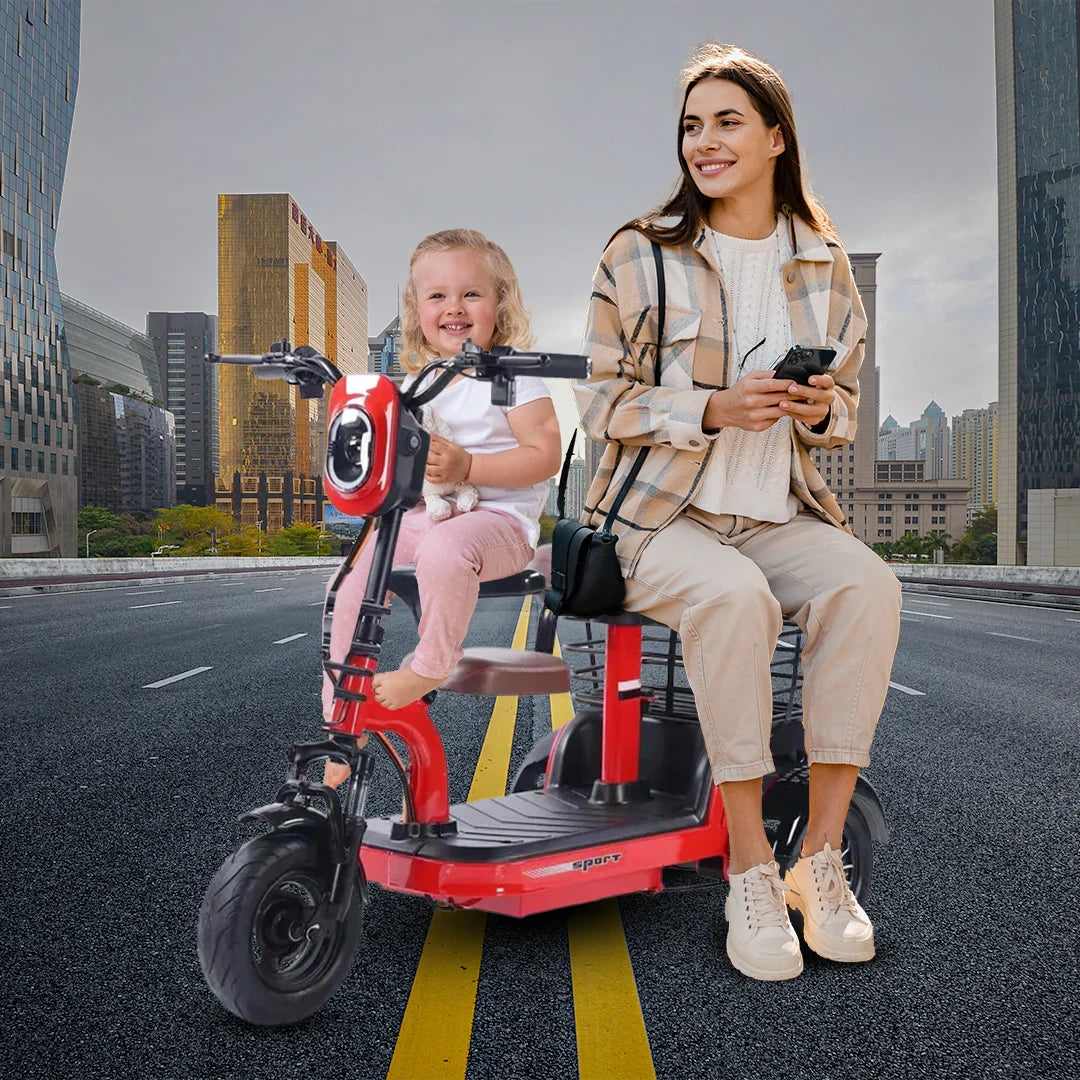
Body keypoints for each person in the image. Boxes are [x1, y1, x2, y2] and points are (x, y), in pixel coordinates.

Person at [574, 43, 902, 982]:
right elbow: (600, 402)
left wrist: (815, 407)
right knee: (737, 602)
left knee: (868, 588)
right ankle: (748, 867)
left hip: (772, 510)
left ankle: (819, 863)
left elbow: (842, 406)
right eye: (690, 125)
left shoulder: (826, 265)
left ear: (775, 137)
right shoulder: (639, 252)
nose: (704, 143)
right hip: (658, 518)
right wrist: (708, 409)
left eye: (725, 122)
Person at [322, 229, 561, 788]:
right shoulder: (420, 382)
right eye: (436, 296)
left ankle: (430, 666)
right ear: (416, 310)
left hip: (500, 524)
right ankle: (343, 715)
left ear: (500, 304)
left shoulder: (516, 375)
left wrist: (467, 467)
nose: (454, 307)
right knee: (354, 574)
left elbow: (543, 455)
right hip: (433, 511)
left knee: (443, 550)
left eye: (471, 294)